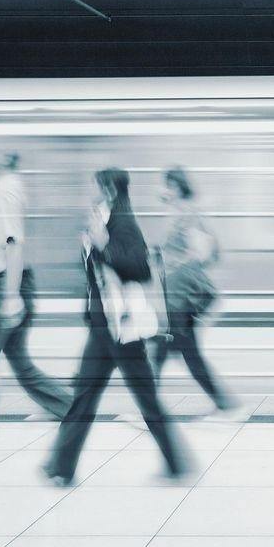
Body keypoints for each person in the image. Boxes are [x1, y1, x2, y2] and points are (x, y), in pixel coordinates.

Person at [44, 168, 185, 485]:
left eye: (93, 185)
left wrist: (103, 245)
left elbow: (139, 268)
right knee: (84, 395)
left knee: (145, 398)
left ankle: (176, 462)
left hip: (123, 328)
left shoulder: (123, 223)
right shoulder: (100, 220)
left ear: (108, 188)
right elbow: (94, 277)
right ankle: (61, 467)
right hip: (102, 324)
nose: (88, 191)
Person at [0, 152, 72, 434]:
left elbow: (12, 243)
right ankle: (70, 407)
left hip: (1, 286)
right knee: (19, 363)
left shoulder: (4, 189)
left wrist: (9, 296)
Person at [148, 167, 233, 412]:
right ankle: (152, 408)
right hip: (174, 295)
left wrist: (173, 261)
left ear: (175, 187)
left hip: (180, 295)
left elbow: (200, 254)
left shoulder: (186, 214)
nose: (161, 189)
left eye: (165, 184)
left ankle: (227, 406)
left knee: (179, 353)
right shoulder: (176, 213)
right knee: (169, 351)